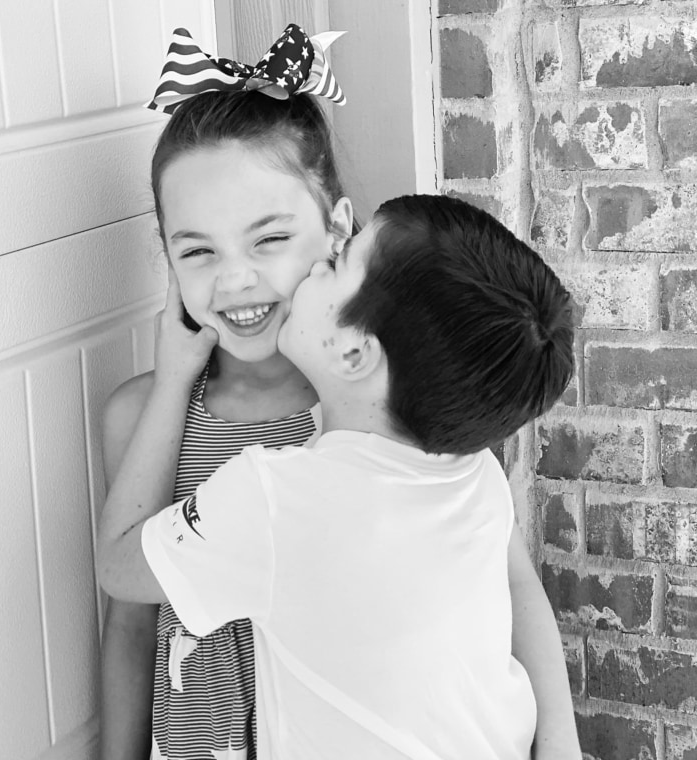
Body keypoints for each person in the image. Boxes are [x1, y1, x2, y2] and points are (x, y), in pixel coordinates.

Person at [99, 24, 581, 760]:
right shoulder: (143, 418)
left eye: (268, 240)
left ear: (335, 234)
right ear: (165, 257)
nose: (234, 280)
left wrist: (562, 742)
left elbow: (513, 592)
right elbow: (129, 616)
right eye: (196, 250)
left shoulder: (408, 426)